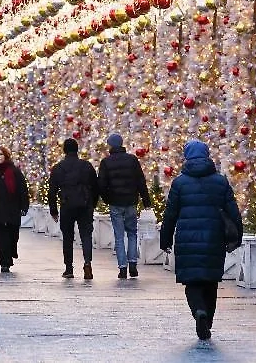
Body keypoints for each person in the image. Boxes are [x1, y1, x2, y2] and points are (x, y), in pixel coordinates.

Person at [160, 139, 242, 342]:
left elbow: (170, 213)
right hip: (214, 237)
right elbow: (233, 211)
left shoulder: (179, 182)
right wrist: (237, 234)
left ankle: (199, 311)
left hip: (187, 238)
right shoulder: (220, 181)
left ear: (186, 157)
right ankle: (208, 321)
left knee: (192, 283)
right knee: (211, 283)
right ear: (207, 156)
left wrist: (165, 238)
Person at [97, 132, 152, 279]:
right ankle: (133, 264)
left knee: (119, 236)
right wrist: (146, 200)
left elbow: (101, 184)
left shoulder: (106, 162)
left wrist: (108, 199)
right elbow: (141, 181)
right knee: (132, 233)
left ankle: (122, 267)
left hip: (115, 202)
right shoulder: (132, 160)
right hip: (131, 201)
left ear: (110, 145)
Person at [48, 138, 99, 279]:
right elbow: (95, 187)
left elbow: (52, 190)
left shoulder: (59, 167)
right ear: (77, 149)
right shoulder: (87, 166)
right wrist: (92, 204)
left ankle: (69, 268)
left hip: (67, 205)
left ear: (64, 150)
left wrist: (53, 210)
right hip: (84, 205)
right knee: (86, 235)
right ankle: (87, 263)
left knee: (68, 237)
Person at [0, 146, 29, 273]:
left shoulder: (14, 171)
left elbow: (23, 190)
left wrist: (24, 206)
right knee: (0, 237)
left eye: (1, 154)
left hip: (12, 209)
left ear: (5, 156)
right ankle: (4, 262)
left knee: (13, 235)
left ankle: (11, 252)